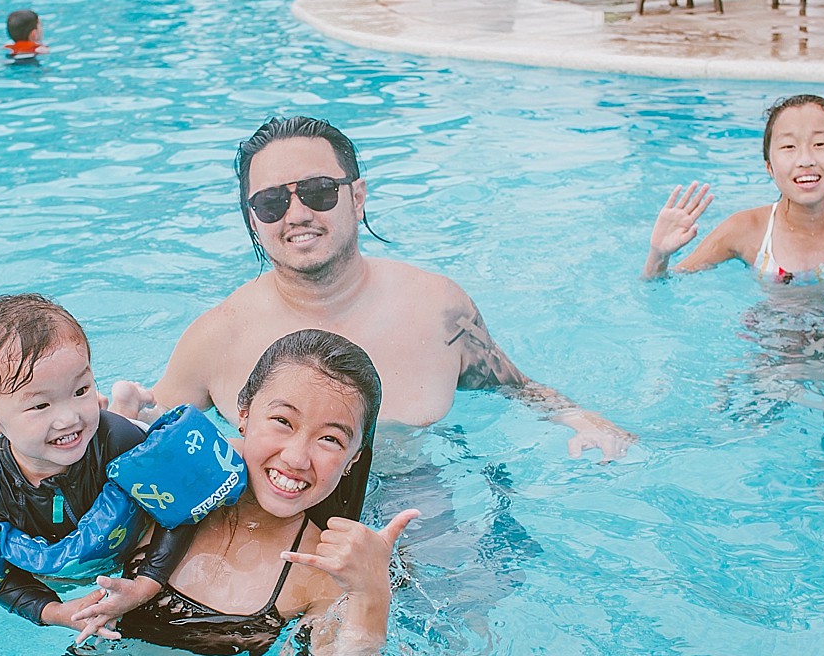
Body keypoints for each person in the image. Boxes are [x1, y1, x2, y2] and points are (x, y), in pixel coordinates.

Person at [109, 116, 635, 460]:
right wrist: (122, 419)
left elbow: (513, 387)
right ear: (252, 218)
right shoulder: (216, 338)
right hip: (277, 524)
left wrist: (580, 417)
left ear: (356, 197)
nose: (296, 214)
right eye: (271, 202)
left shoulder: (437, 308)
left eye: (317, 192)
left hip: (422, 502)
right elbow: (150, 431)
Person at [65, 329, 417, 656]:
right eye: (282, 421)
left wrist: (371, 595)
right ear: (243, 413)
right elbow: (50, 565)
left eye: (329, 439)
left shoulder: (320, 572)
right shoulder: (165, 483)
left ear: (353, 459)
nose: (296, 458)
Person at [0, 294, 181, 633]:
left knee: (114, 430)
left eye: (80, 389)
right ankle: (120, 402)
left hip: (119, 460)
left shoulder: (119, 440)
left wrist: (147, 583)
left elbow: (183, 510)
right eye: (41, 406)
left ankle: (125, 406)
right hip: (77, 547)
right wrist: (56, 611)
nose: (68, 417)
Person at [642, 94, 824, 283]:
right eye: (788, 147)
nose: (806, 159)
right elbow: (662, 284)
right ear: (769, 167)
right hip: (773, 340)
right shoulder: (744, 229)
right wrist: (658, 254)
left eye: (821, 144)